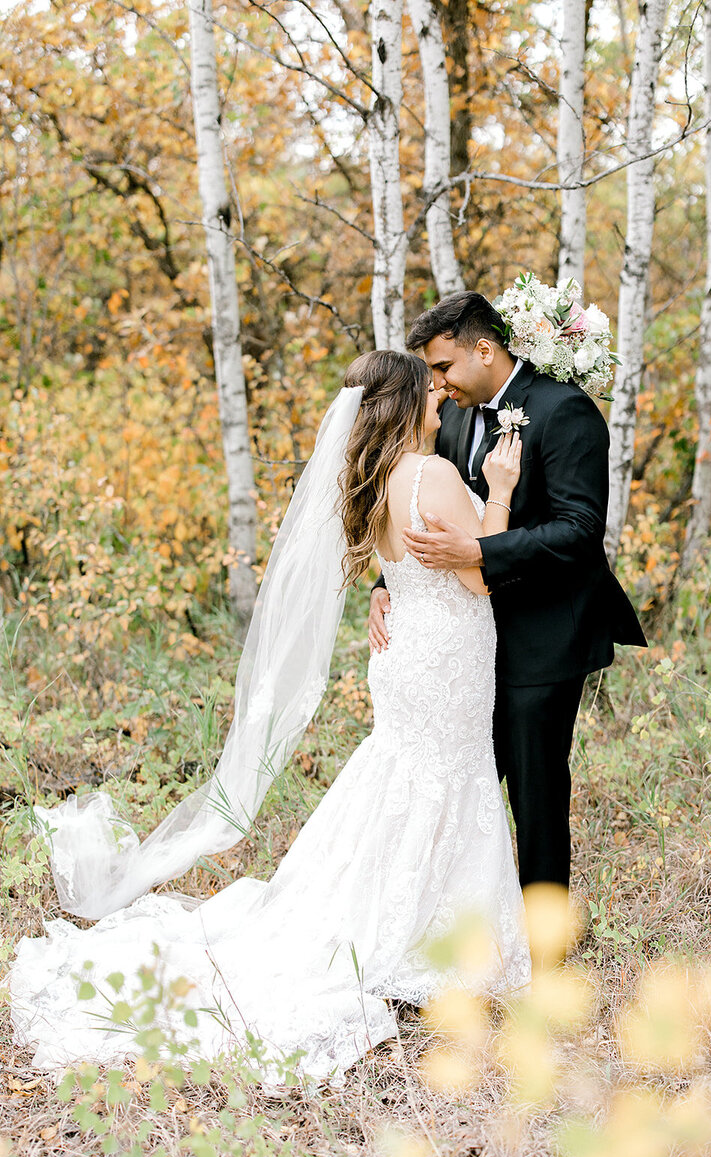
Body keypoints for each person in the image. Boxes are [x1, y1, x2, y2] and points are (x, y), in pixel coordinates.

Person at [9, 349, 531, 1084]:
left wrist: (389, 591)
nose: (441, 401)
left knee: (404, 775)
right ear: (405, 401)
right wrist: (501, 489)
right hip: (446, 652)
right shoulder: (438, 474)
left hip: (408, 651)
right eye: (431, 391)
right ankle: (435, 945)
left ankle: (415, 931)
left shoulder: (377, 482)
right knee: (445, 777)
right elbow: (482, 576)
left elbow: (402, 570)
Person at [369, 292, 647, 892]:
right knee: (458, 783)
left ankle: (545, 939)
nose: (437, 386)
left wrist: (482, 555)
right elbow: (431, 511)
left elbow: (579, 531)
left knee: (535, 789)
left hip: (544, 633)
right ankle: (449, 926)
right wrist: (389, 583)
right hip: (467, 640)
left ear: (485, 349)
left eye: (443, 368)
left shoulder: (564, 410)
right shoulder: (457, 417)